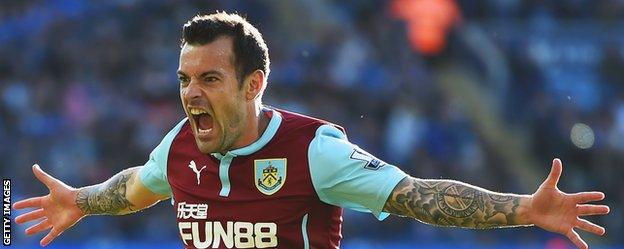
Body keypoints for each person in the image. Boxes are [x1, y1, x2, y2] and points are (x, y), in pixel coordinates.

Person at [13, 12, 610, 249]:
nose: (192, 92)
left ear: (253, 85)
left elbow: (417, 196)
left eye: (210, 78)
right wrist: (82, 203)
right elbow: (135, 187)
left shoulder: (312, 150)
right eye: (185, 78)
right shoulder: (178, 147)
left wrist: (522, 210)